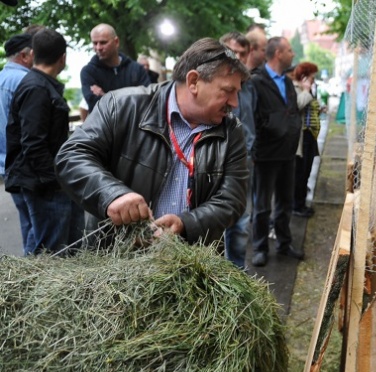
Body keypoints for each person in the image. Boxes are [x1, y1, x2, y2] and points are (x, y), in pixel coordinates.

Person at [56, 38, 250, 248]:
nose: (235, 103)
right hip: (115, 261)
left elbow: (232, 199)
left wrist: (186, 224)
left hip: (189, 262)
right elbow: (71, 156)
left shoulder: (232, 130)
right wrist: (112, 194)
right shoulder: (120, 106)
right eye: (228, 91)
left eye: (237, 93)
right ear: (194, 81)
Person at [4, 28, 85, 255]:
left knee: (64, 247)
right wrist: (57, 180)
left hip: (46, 181)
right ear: (63, 58)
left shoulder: (40, 85)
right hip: (43, 185)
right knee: (48, 253)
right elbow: (33, 144)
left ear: (34, 53)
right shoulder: (37, 89)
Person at [250, 36, 303, 267]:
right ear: (278, 54)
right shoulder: (256, 81)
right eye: (290, 50)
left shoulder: (288, 81)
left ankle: (284, 243)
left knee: (285, 201)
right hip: (266, 154)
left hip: (287, 153)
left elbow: (290, 111)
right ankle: (260, 247)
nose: (293, 54)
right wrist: (273, 128)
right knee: (262, 205)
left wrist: (291, 130)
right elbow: (253, 116)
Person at [219, 31, 256, 269]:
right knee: (215, 223)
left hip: (245, 161)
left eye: (243, 53)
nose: (238, 58)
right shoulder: (215, 84)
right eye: (234, 52)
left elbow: (251, 123)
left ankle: (237, 274)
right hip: (217, 162)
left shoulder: (249, 84)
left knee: (241, 224)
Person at [0, 32, 34, 253]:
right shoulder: (24, 80)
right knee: (38, 230)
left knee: (28, 224)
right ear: (24, 55)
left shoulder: (2, 77)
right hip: (26, 165)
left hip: (6, 164)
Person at [80, 23, 150, 113]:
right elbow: (96, 107)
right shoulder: (88, 72)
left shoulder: (137, 69)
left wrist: (106, 97)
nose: (98, 47)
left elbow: (147, 101)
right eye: (95, 43)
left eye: (103, 42)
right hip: (103, 127)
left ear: (116, 42)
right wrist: (131, 98)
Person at [292, 62, 322, 217]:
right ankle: (297, 206)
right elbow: (296, 106)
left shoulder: (306, 88)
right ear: (304, 76)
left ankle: (301, 203)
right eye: (312, 76)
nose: (313, 79)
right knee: (300, 172)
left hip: (309, 136)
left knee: (307, 170)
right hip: (301, 138)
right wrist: (306, 90)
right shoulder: (295, 88)